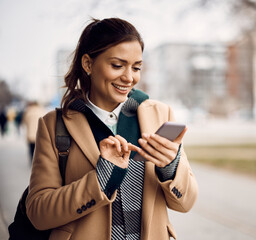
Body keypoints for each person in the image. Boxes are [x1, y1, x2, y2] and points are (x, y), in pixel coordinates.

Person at [25, 17, 198, 240]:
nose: (129, 77)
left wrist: (170, 167)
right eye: (117, 65)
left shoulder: (160, 115)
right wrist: (101, 178)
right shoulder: (53, 125)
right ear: (88, 64)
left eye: (136, 68)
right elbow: (39, 213)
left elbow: (186, 203)